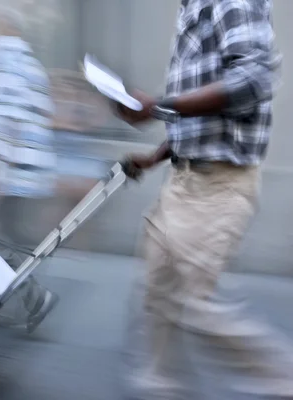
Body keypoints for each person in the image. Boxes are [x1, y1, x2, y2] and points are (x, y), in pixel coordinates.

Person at [116, 0, 293, 398]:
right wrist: (153, 157)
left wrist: (158, 106)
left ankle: (283, 379)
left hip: (219, 186)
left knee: (195, 304)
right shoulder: (192, 9)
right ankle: (158, 382)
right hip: (185, 181)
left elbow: (252, 82)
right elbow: (202, 118)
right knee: (157, 290)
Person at [0, 4, 59, 334]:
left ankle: (32, 297)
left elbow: (4, 118)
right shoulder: (30, 63)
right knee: (1, 236)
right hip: (26, 171)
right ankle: (17, 297)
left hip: (9, 171)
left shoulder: (2, 58)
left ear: (3, 22)